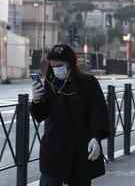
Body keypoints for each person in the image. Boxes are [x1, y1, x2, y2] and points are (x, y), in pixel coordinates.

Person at [30, 44, 110, 186]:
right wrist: (36, 100)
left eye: (59, 65)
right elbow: (41, 114)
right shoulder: (50, 83)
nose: (56, 69)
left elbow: (99, 112)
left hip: (80, 148)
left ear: (70, 64)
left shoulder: (88, 83)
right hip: (54, 148)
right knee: (49, 181)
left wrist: (96, 138)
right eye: (52, 65)